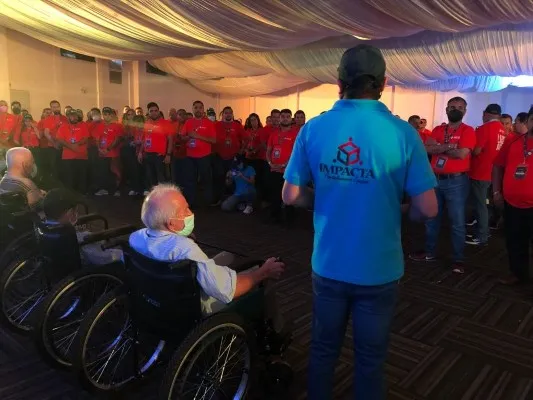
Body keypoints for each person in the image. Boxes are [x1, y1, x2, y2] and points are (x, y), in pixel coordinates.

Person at [282, 44, 437, 400]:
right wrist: (401, 212)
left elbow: (290, 196)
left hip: (329, 263)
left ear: (339, 81)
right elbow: (428, 209)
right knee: (370, 359)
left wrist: (323, 201)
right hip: (379, 269)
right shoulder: (403, 133)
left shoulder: (314, 128)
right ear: (382, 83)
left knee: (322, 350)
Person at [129, 184, 286, 327]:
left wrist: (181, 237)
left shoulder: (136, 238)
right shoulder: (186, 250)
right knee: (261, 279)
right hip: (189, 307)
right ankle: (277, 332)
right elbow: (226, 291)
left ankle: (221, 272)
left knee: (227, 256)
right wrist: (263, 272)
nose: (191, 213)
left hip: (155, 297)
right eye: (186, 210)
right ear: (172, 224)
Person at [409, 96, 476, 274]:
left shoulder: (468, 131)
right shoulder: (439, 129)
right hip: (435, 179)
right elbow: (427, 148)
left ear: (465, 111)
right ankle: (430, 252)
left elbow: (462, 154)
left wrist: (440, 147)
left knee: (457, 222)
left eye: (460, 107)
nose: (456, 109)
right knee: (431, 218)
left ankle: (458, 259)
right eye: (452, 106)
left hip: (457, 182)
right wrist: (449, 146)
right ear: (446, 109)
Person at [492, 108, 533, 286]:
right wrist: (495, 192)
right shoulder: (512, 141)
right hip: (511, 203)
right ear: (529, 120)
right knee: (514, 241)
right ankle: (518, 274)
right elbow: (497, 167)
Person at [42, 188, 123, 265]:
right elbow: (103, 258)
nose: (76, 213)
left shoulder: (44, 229)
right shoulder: (77, 238)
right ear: (70, 213)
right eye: (75, 210)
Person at [467, 104, 506, 246]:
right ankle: (485, 231)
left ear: (485, 113)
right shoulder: (503, 129)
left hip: (481, 172)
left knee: (480, 205)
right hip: (494, 174)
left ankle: (482, 236)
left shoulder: (484, 128)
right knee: (487, 204)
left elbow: (476, 151)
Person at [180, 100, 216, 207]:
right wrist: (188, 137)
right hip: (190, 156)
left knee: (206, 180)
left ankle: (208, 202)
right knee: (190, 180)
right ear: (192, 109)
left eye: (200, 107)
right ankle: (190, 202)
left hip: (204, 156)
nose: (198, 109)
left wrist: (197, 136)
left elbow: (213, 140)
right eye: (195, 107)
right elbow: (182, 137)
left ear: (203, 109)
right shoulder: (188, 122)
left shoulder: (209, 123)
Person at [213, 106, 244, 206]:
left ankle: (234, 200)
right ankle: (219, 199)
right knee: (219, 178)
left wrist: (241, 150)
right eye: (226, 113)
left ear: (232, 114)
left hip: (233, 157)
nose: (228, 114)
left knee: (233, 178)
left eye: (230, 112)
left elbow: (246, 138)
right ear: (223, 114)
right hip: (219, 156)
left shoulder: (237, 126)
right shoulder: (216, 125)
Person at [55, 109, 90, 194]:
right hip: (67, 156)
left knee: (81, 175)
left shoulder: (83, 126)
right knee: (69, 176)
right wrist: (70, 146)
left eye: (76, 116)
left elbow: (86, 138)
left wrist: (77, 144)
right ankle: (70, 193)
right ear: (68, 117)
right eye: (72, 116)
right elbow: (60, 139)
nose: (74, 117)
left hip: (81, 155)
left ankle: (82, 193)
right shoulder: (63, 127)